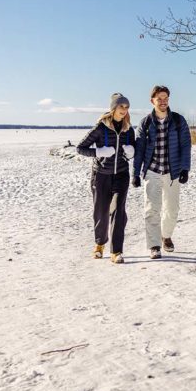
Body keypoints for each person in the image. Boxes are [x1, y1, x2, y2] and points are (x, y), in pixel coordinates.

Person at [133, 84, 192, 259]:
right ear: (152, 101)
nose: (163, 101)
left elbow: (185, 145)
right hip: (152, 170)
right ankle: (154, 245)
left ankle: (165, 236)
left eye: (166, 98)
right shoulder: (145, 123)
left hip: (172, 171)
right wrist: (135, 173)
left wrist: (185, 169)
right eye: (160, 98)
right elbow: (139, 150)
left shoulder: (178, 120)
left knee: (172, 209)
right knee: (152, 209)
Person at [77, 93, 137, 264]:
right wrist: (98, 152)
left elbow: (134, 149)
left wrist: (131, 152)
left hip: (121, 175)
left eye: (126, 107)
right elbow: (80, 148)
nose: (124, 111)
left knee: (119, 212)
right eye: (121, 107)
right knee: (101, 212)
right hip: (101, 175)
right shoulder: (100, 128)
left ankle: (116, 251)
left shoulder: (128, 129)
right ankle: (99, 244)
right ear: (113, 108)